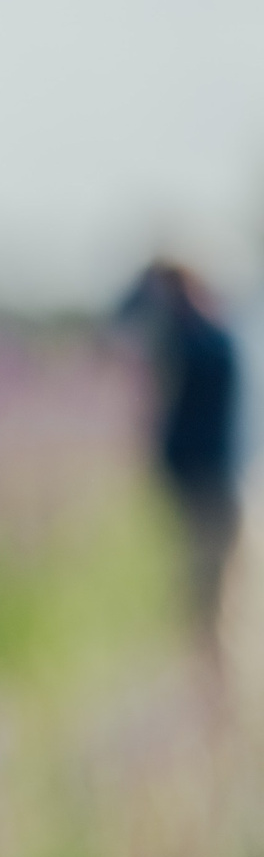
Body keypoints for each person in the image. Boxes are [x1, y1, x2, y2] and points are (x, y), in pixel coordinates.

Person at [119, 258, 245, 667]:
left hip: (211, 493)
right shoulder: (208, 337)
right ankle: (214, 700)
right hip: (209, 493)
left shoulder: (204, 342)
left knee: (210, 607)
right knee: (205, 603)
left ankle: (218, 705)